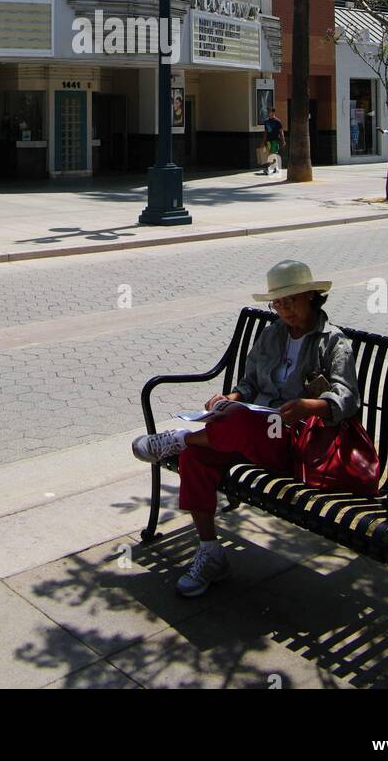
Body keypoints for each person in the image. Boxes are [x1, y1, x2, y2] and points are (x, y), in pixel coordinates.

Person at [132, 259, 361, 598]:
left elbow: (347, 398)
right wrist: (231, 397)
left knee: (246, 422)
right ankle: (210, 553)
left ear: (312, 296)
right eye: (278, 303)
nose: (285, 310)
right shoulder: (272, 334)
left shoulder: (332, 342)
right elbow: (250, 384)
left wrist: (307, 406)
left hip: (292, 441)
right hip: (252, 429)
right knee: (197, 454)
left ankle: (176, 439)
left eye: (292, 300)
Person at [261, 108, 285, 176]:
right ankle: (274, 168)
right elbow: (265, 132)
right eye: (268, 112)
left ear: (273, 112)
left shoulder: (278, 121)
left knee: (272, 154)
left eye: (270, 112)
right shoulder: (266, 122)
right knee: (270, 155)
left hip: (275, 140)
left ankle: (270, 169)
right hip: (269, 140)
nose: (268, 113)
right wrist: (263, 141)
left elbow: (281, 132)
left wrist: (283, 140)